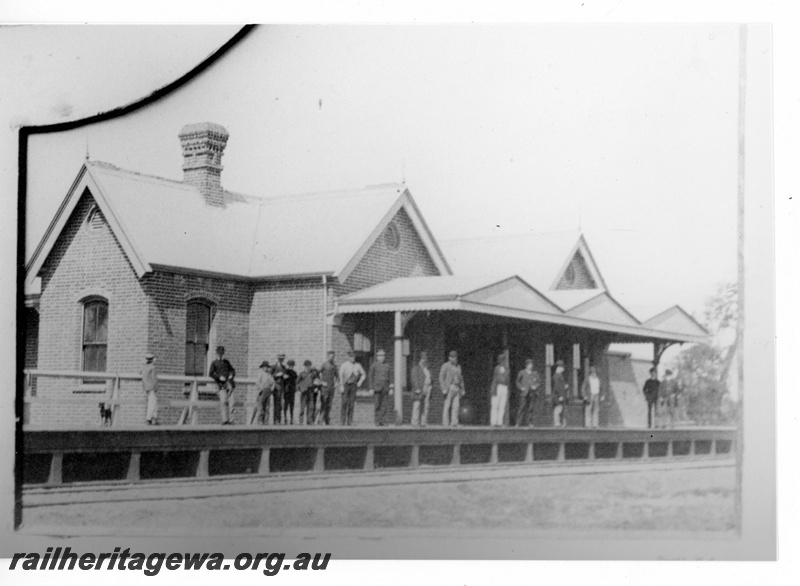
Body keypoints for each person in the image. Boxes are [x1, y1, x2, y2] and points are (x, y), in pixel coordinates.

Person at [209, 345, 236, 425]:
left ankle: (232, 420)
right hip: (221, 385)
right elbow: (211, 374)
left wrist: (231, 375)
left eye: (222, 353)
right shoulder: (214, 363)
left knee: (232, 403)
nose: (220, 355)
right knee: (223, 401)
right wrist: (219, 377)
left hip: (230, 384)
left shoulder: (226, 362)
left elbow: (233, 370)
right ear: (217, 353)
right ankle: (225, 419)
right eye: (219, 353)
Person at [339, 351, 366, 426]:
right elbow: (341, 376)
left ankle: (349, 421)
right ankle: (342, 421)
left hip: (353, 386)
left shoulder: (358, 365)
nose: (352, 358)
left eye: (353, 357)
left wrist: (360, 381)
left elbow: (363, 374)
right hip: (346, 385)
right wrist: (341, 385)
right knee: (344, 403)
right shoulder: (344, 365)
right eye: (351, 357)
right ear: (348, 357)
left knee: (351, 404)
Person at [439, 350, 465, 427]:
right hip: (449, 387)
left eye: (455, 357)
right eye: (452, 357)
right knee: (447, 406)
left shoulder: (458, 366)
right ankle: (445, 423)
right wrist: (443, 388)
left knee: (456, 406)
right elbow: (441, 377)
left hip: (457, 387)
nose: (454, 358)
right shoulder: (445, 366)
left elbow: (461, 378)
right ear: (449, 358)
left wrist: (462, 389)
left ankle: (454, 422)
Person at [368, 349, 393, 426]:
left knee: (384, 406)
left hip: (385, 389)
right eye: (380, 355)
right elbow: (370, 377)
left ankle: (383, 421)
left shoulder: (387, 366)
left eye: (383, 355)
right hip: (377, 388)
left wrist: (391, 388)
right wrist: (371, 388)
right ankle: (377, 421)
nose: (381, 357)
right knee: (377, 405)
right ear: (377, 357)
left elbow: (391, 377)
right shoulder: (374, 365)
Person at [515, 358, 540, 427]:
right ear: (526, 365)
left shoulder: (535, 373)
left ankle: (530, 422)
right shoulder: (522, 372)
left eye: (531, 365)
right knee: (522, 407)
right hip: (524, 392)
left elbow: (538, 382)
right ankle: (518, 422)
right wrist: (521, 388)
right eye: (529, 365)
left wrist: (535, 386)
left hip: (532, 393)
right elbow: (517, 382)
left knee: (531, 408)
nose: (530, 366)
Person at [410, 351, 432, 426]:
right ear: (420, 360)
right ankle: (415, 422)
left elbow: (431, 378)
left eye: (425, 359)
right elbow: (414, 378)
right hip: (419, 388)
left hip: (427, 388)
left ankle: (423, 422)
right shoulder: (416, 368)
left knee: (426, 406)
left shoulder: (428, 368)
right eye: (423, 359)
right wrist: (417, 388)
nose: (424, 361)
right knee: (417, 405)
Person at [252, 360, 275, 425]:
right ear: (262, 367)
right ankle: (260, 421)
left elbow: (273, 382)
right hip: (262, 391)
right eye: (265, 367)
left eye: (267, 367)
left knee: (267, 407)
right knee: (261, 407)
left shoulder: (269, 375)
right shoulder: (260, 373)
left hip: (268, 391)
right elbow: (257, 382)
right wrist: (261, 388)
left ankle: (266, 421)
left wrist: (272, 388)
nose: (266, 368)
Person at [490, 353, 510, 427]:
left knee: (502, 405)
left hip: (504, 387)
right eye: (503, 360)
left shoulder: (507, 369)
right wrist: (493, 389)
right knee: (495, 405)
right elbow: (495, 379)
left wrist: (507, 390)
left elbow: (507, 380)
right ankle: (493, 421)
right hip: (497, 387)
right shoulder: (497, 368)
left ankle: (500, 422)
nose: (504, 361)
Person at [318, 351, 338, 425]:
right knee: (324, 402)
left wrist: (336, 383)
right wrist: (322, 382)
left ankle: (327, 419)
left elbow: (337, 376)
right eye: (330, 356)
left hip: (331, 387)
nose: (331, 358)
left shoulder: (334, 366)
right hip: (325, 387)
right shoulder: (324, 365)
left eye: (333, 357)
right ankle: (320, 419)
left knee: (329, 404)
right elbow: (318, 373)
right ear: (327, 357)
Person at [297, 360, 319, 425]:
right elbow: (297, 383)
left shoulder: (312, 374)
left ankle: (309, 421)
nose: (308, 367)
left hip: (311, 392)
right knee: (302, 407)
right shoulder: (301, 374)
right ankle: (301, 421)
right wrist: (299, 390)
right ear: (304, 366)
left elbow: (317, 380)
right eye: (306, 366)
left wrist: (316, 388)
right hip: (304, 392)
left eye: (309, 366)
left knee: (310, 407)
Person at [141, 352, 158, 425]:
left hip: (146, 387)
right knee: (152, 402)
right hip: (151, 387)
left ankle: (153, 418)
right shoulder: (153, 367)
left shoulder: (144, 367)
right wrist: (156, 387)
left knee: (152, 402)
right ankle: (150, 418)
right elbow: (154, 378)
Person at [271, 353, 288, 425]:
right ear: (278, 359)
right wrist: (276, 375)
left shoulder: (284, 367)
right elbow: (269, 376)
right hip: (276, 386)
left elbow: (285, 376)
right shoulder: (274, 367)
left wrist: (285, 376)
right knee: (276, 403)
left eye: (282, 359)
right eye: (280, 359)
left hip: (281, 386)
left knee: (280, 404)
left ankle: (279, 419)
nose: (281, 360)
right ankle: (276, 420)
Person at [551, 360, 569, 427]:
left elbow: (561, 385)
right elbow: (557, 387)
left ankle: (559, 422)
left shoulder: (560, 375)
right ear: (558, 367)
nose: (563, 368)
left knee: (560, 408)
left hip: (561, 394)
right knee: (558, 408)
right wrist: (560, 396)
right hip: (557, 395)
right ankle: (556, 422)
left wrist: (565, 386)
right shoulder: (556, 376)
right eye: (562, 367)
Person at [283, 359, 298, 424]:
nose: (291, 366)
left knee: (292, 404)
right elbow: (283, 382)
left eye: (292, 365)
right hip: (286, 390)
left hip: (292, 390)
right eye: (290, 365)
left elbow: (296, 381)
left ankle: (291, 418)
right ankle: (285, 418)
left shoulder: (294, 373)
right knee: (286, 404)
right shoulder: (285, 372)